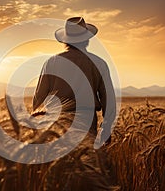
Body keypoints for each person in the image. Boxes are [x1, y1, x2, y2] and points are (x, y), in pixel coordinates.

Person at [33, 17, 116, 147]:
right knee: (85, 162)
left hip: (56, 121)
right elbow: (108, 99)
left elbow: (39, 97)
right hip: (87, 121)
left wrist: (37, 125)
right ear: (87, 39)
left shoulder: (51, 62)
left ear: (66, 40)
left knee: (59, 163)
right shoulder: (99, 63)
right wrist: (106, 128)